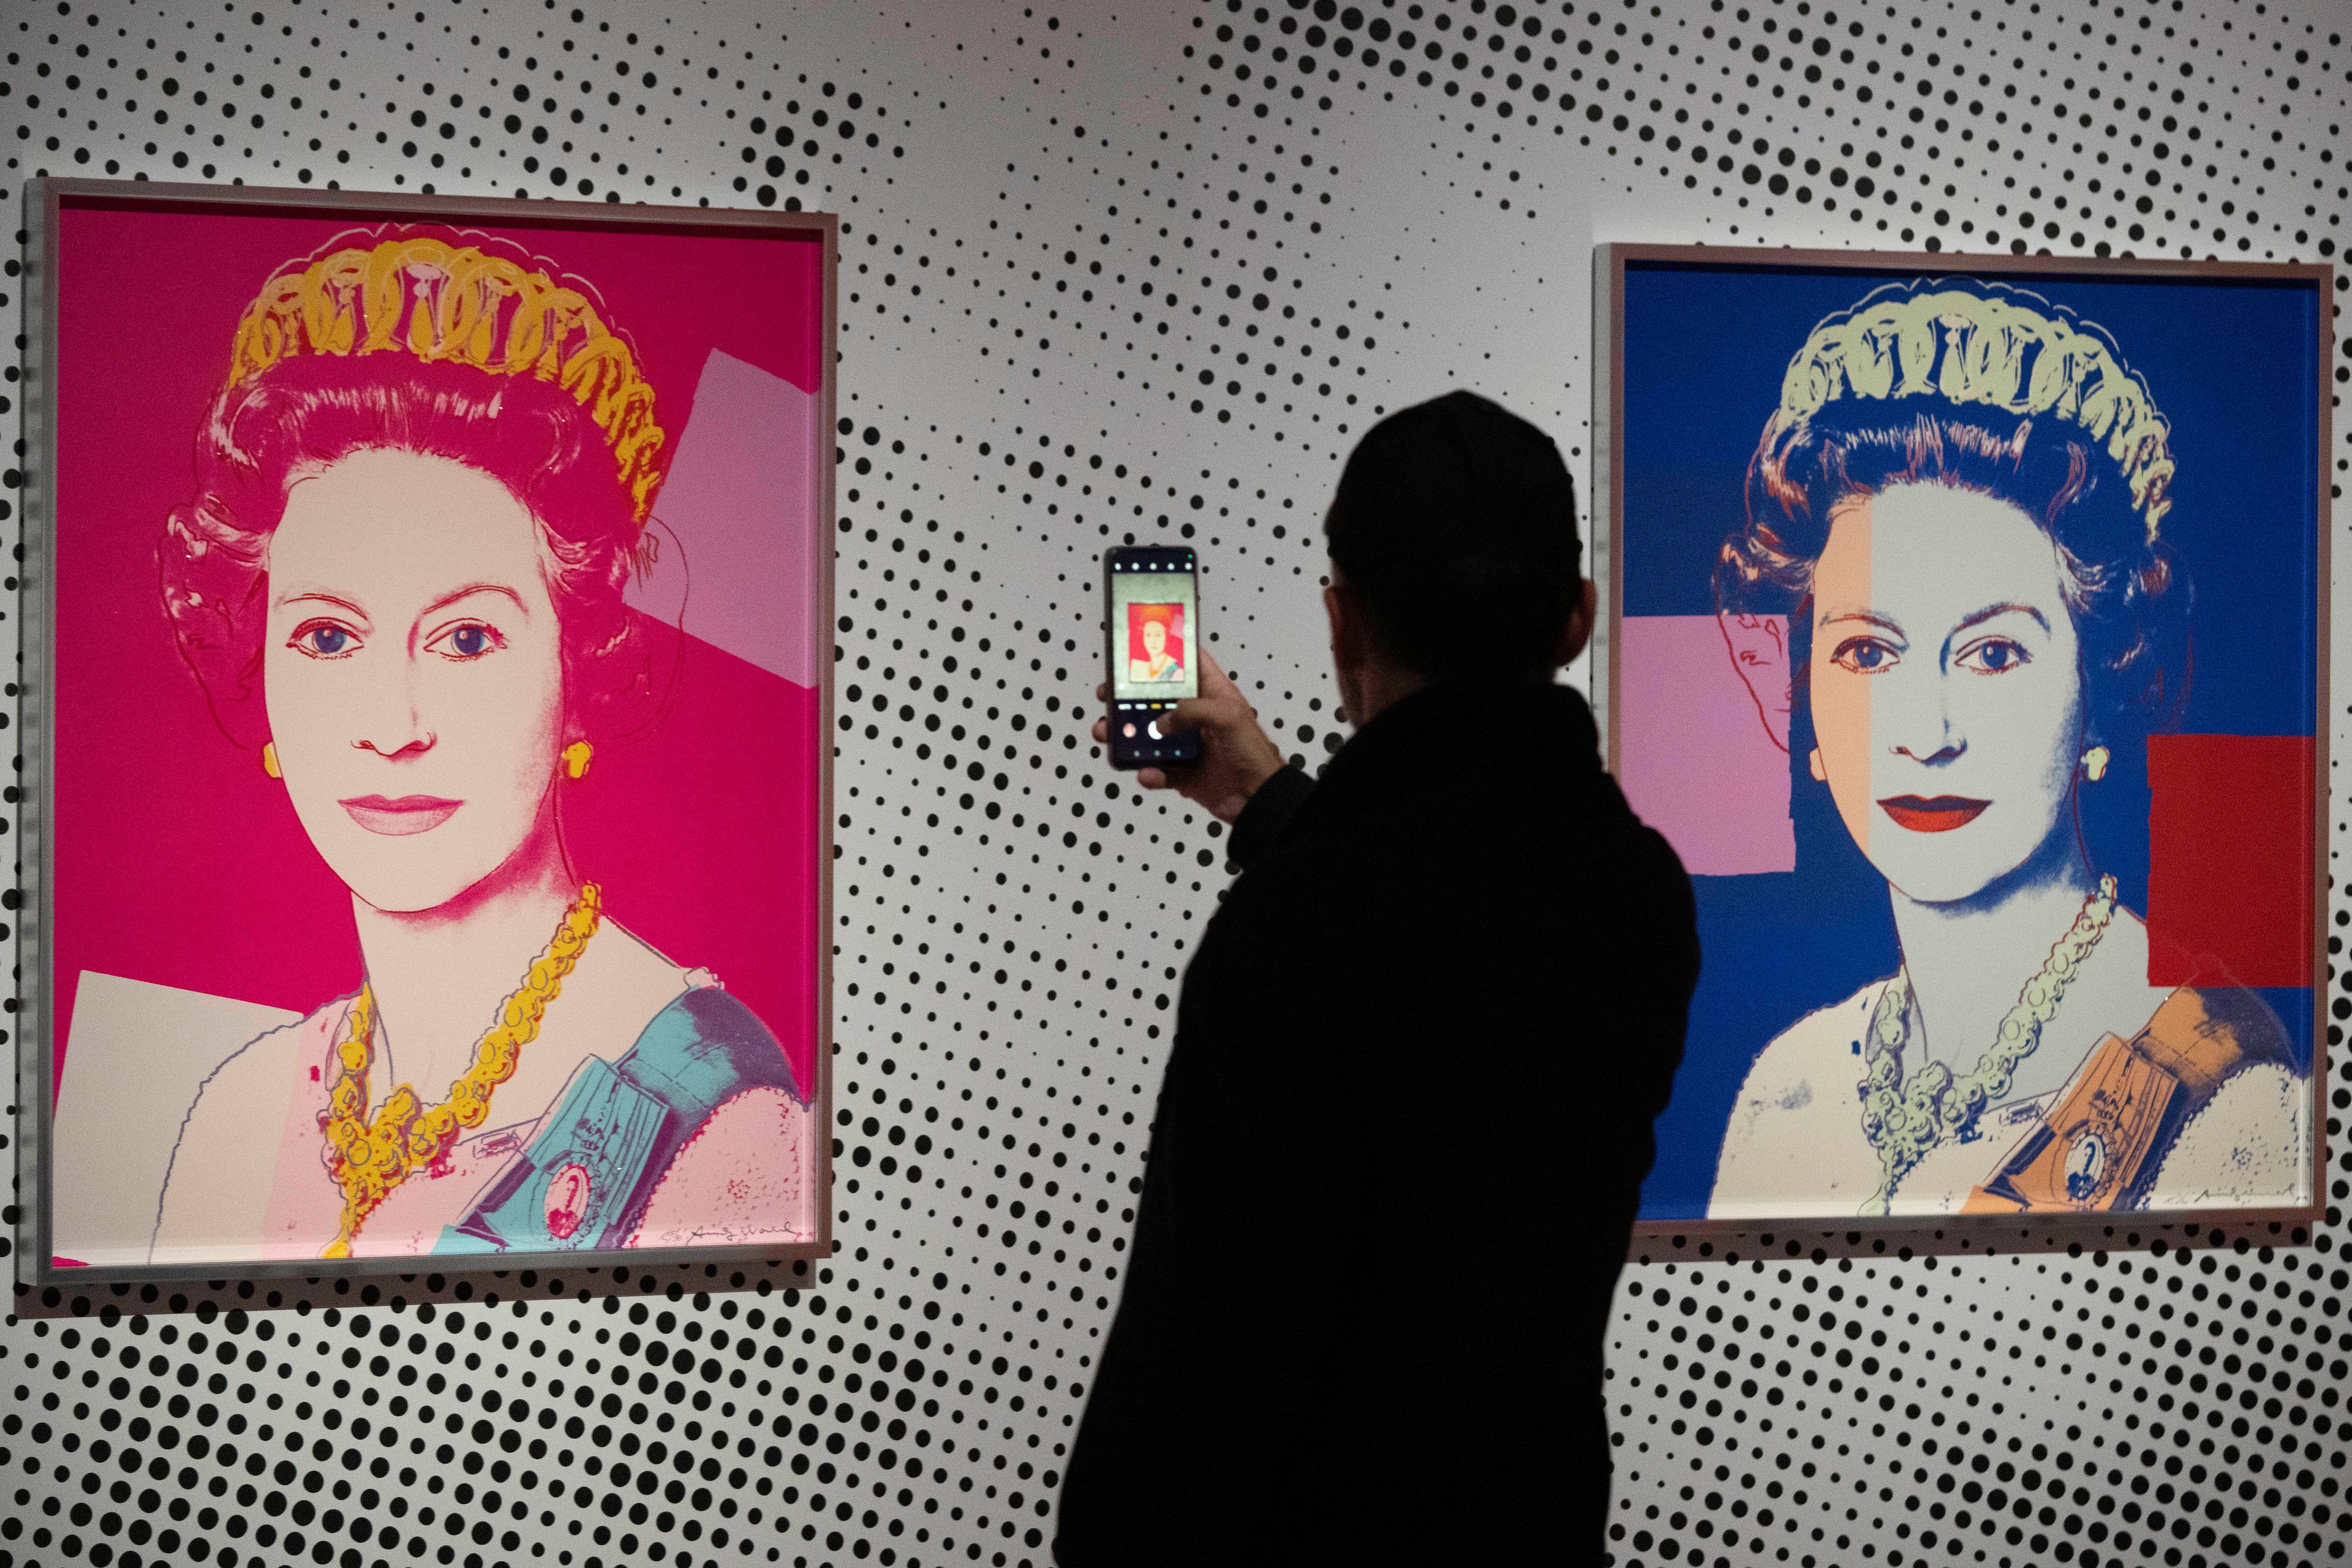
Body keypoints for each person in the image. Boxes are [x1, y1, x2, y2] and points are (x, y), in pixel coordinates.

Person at [1056, 391, 1700, 1566]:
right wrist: (1278, 802)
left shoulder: (1295, 934)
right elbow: (1453, 932)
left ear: (1342, 621)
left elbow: (1191, 1384)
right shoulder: (1638, 893)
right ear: (1578, 619)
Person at [149, 232, 816, 1263]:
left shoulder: (712, 1111)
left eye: (466, 638)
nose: (393, 723)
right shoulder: (234, 1116)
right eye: (327, 637)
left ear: (582, 675)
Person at [1706, 282, 2304, 1220]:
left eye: (1993, 654)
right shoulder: (1787, 1091)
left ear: (2100, 691)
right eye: (1867, 652)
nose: (1927, 733)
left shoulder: (2226, 1101)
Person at [1127, 603, 1185, 684]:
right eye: (1148, 635)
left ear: (1167, 637)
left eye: (1158, 635)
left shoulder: (1177, 673)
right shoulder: (1137, 668)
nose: (1153, 641)